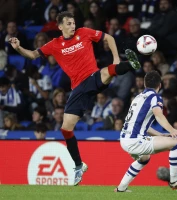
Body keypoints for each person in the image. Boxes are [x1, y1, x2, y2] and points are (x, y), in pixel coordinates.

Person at [8, 11, 141, 186]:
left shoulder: (84, 32)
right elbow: (33, 55)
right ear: (60, 26)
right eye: (69, 23)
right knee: (66, 129)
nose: (73, 26)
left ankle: (130, 64)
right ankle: (79, 165)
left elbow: (108, 37)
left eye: (73, 23)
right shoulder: (54, 44)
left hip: (92, 77)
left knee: (107, 71)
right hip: (78, 89)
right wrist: (18, 48)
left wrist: (116, 58)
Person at [114, 71, 177, 192]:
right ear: (159, 85)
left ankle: (121, 188)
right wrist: (172, 130)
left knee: (144, 158)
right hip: (135, 140)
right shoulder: (154, 97)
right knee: (176, 143)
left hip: (124, 139)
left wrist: (160, 134)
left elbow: (140, 124)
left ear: (145, 85)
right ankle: (174, 181)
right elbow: (158, 115)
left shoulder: (138, 98)